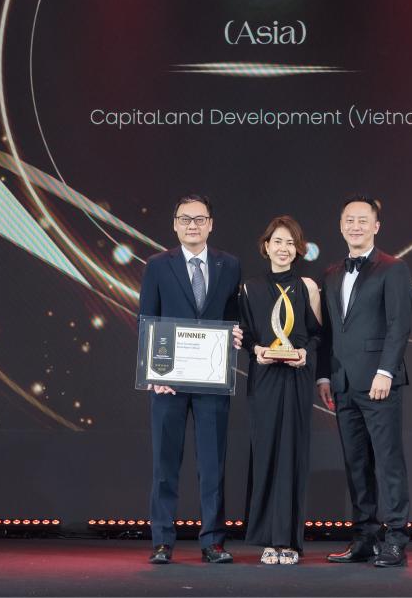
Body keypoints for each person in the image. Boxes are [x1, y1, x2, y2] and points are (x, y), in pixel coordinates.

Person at [139, 194, 243, 565]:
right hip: (168, 382)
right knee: (165, 465)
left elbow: (234, 316)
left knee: (212, 466)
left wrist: (236, 333)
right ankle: (162, 541)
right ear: (175, 224)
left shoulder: (229, 265)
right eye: (185, 219)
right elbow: (147, 319)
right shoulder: (157, 265)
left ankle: (213, 542)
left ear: (211, 224)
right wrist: (154, 373)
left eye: (200, 219)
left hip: (212, 380)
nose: (193, 225)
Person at [317, 195, 412, 568]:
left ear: (376, 226)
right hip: (342, 383)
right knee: (356, 463)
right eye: (349, 220)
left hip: (379, 382)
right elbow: (328, 331)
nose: (355, 226)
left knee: (388, 462)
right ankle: (364, 537)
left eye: (362, 220)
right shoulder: (331, 273)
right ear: (341, 226)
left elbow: (399, 325)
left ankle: (396, 539)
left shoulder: (394, 268)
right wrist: (324, 375)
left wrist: (386, 371)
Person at [239, 216, 323, 565]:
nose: (284, 248)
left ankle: (289, 541)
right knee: (266, 455)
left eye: (290, 243)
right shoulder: (250, 288)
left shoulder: (308, 287)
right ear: (266, 246)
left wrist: (305, 354)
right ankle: (268, 541)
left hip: (297, 379)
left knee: (293, 455)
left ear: (298, 249)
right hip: (264, 380)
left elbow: (317, 335)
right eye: (278, 241)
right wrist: (256, 350)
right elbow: (245, 335)